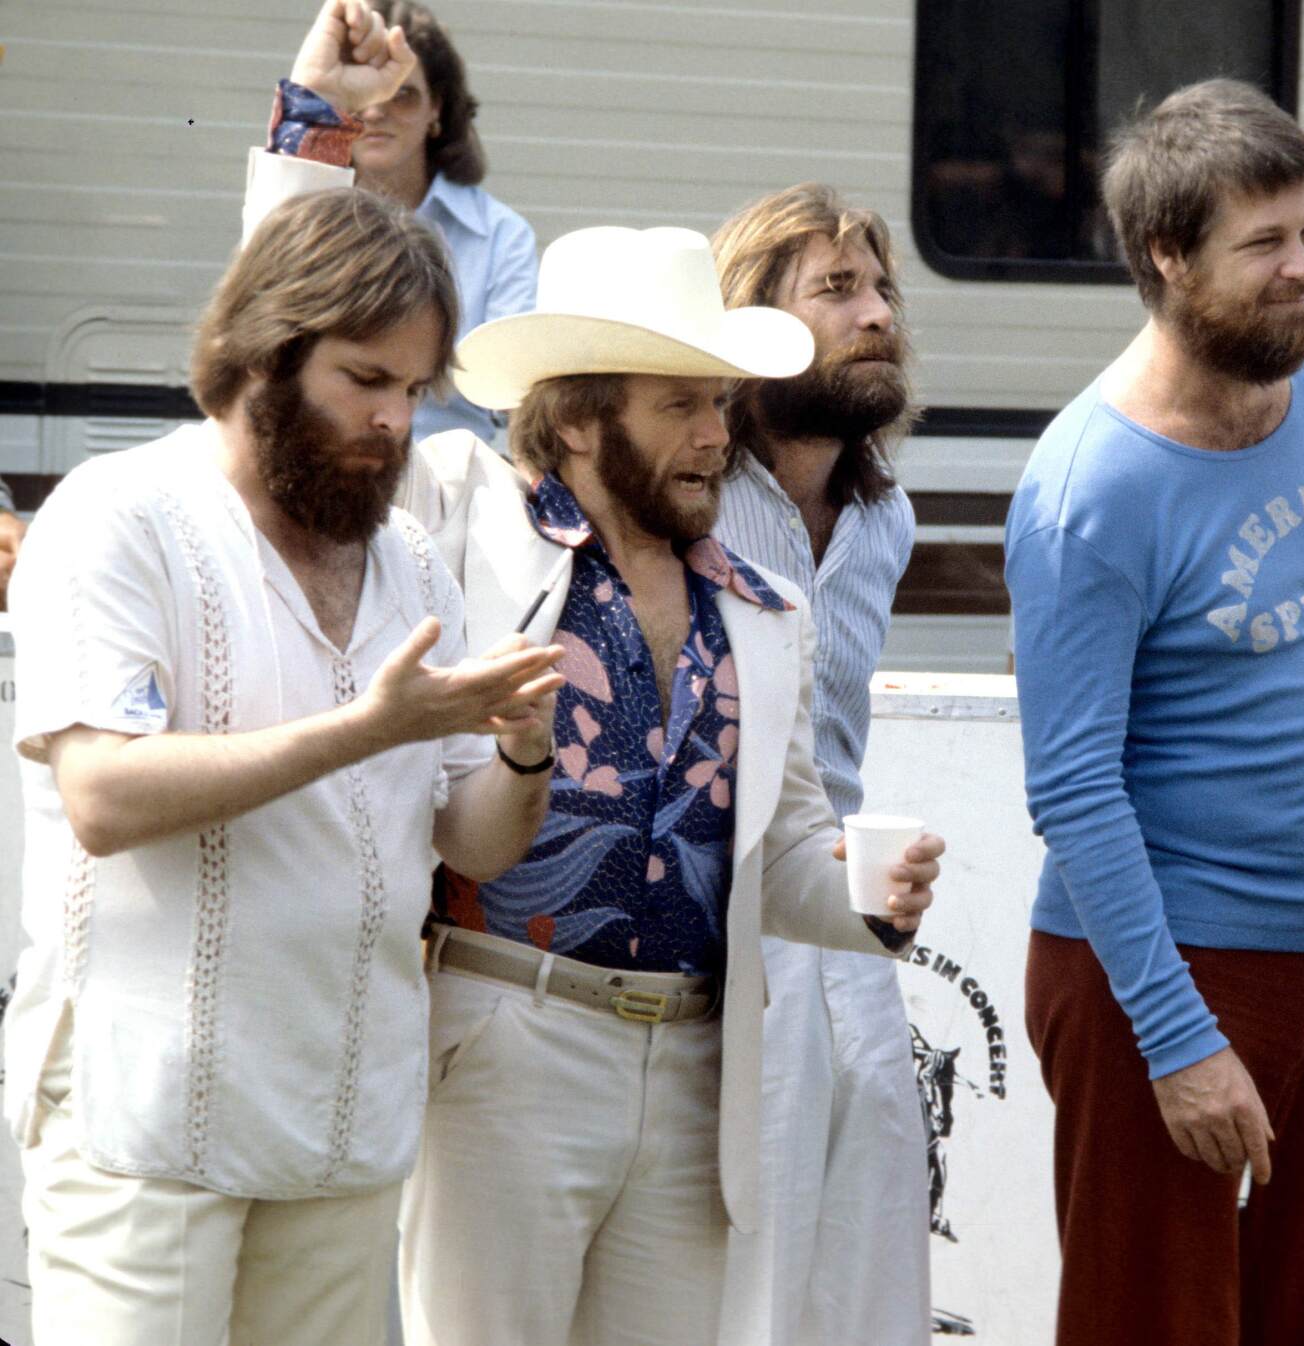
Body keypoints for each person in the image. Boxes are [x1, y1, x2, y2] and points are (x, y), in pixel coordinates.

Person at [248, 14, 948, 1343]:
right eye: (678, 399)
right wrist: (312, 135)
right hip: (506, 1039)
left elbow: (786, 853)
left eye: (720, 399)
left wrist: (867, 900)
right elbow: (289, 372)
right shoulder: (458, 508)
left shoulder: (764, 602)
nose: (713, 430)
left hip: (696, 1071)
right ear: (572, 415)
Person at [4, 183, 565, 1345]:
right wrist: (370, 726)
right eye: (365, 379)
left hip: (347, 1133)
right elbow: (102, 796)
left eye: (415, 390)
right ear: (264, 352)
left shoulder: (408, 556)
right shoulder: (117, 514)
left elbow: (474, 839)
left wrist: (522, 748)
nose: (396, 423)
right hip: (144, 1132)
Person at [1005, 78, 1304, 1346]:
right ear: (1166, 257)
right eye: (1263, 243)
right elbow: (1070, 787)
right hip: (1151, 979)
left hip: (1299, 951)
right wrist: (1176, 1037)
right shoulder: (1090, 487)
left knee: (1290, 1324)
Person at [709, 184, 929, 1346]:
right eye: (837, 288)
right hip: (720, 916)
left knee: (877, 1225)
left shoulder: (883, 516)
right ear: (753, 318)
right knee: (758, 1241)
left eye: (880, 285)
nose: (876, 311)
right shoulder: (691, 498)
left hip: (841, 903)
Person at [354, 0, 537, 444]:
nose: (377, 111)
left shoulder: (500, 237)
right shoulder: (303, 217)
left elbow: (515, 392)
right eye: (360, 91)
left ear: (436, 107)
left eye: (401, 93)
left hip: (448, 484)